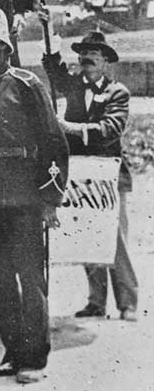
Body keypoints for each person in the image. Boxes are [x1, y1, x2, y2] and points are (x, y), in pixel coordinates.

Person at [0, 2, 68, 384]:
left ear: (4, 48)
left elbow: (54, 143)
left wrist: (50, 199)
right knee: (0, 279)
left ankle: (34, 359)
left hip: (24, 200)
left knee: (29, 280)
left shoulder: (27, 85)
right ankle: (12, 352)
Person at [41, 31, 137, 321]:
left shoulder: (117, 92)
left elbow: (110, 130)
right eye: (84, 54)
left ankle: (128, 302)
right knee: (90, 234)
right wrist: (51, 36)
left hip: (109, 175)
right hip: (82, 175)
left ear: (106, 61)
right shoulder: (73, 85)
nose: (88, 59)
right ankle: (96, 301)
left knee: (115, 238)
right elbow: (55, 72)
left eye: (95, 54)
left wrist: (69, 128)